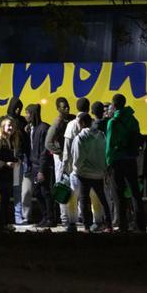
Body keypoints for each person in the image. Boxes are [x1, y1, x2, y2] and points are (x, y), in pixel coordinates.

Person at [105, 94, 146, 232]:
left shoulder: (113, 122)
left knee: (118, 193)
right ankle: (140, 225)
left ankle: (122, 225)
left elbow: (109, 145)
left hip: (117, 160)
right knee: (135, 192)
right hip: (131, 158)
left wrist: (108, 163)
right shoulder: (133, 119)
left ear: (114, 105)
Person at [70, 113, 112, 233]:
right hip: (99, 173)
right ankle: (109, 225)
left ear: (82, 123)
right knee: (103, 199)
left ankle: (87, 227)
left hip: (84, 174)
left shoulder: (80, 138)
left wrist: (76, 170)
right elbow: (105, 153)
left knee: (84, 199)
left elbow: (77, 158)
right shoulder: (101, 135)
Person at [60, 97, 91, 231]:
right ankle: (92, 223)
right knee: (90, 197)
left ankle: (72, 223)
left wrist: (64, 167)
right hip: (90, 167)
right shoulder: (92, 123)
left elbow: (66, 149)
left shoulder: (71, 125)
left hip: (74, 168)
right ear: (88, 108)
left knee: (73, 196)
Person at [25, 104, 54, 227]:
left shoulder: (43, 128)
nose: (26, 115)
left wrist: (42, 170)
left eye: (27, 113)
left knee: (45, 192)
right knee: (37, 192)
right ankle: (46, 216)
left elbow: (44, 151)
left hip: (42, 166)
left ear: (33, 114)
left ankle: (50, 219)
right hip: (35, 165)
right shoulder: (32, 128)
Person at [45, 97, 72, 224]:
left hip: (70, 157)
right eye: (63, 106)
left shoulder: (71, 118)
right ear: (58, 109)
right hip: (61, 159)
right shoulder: (57, 122)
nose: (66, 108)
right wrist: (60, 153)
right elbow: (48, 143)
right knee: (62, 186)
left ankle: (72, 216)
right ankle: (64, 217)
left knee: (72, 185)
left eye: (67, 106)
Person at [7, 97, 32, 225]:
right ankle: (10, 216)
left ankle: (18, 216)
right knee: (8, 190)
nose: (18, 110)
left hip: (18, 160)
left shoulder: (20, 121)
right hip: (8, 161)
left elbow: (26, 142)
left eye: (20, 108)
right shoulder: (7, 121)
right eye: (16, 107)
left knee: (18, 189)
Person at [0, 116, 20, 229]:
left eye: (12, 125)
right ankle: (1, 223)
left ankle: (5, 223)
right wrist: (4, 164)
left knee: (7, 198)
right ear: (2, 127)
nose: (11, 127)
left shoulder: (10, 140)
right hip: (0, 173)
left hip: (8, 174)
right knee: (3, 198)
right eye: (9, 125)